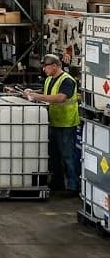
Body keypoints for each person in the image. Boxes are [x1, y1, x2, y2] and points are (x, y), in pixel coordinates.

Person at [22, 53, 80, 195]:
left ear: (54, 66)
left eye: (46, 67)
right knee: (53, 155)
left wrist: (37, 96)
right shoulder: (49, 79)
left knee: (68, 156)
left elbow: (60, 98)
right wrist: (32, 92)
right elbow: (46, 93)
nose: (43, 70)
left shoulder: (67, 80)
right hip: (52, 122)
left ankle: (73, 186)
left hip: (66, 123)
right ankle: (57, 182)